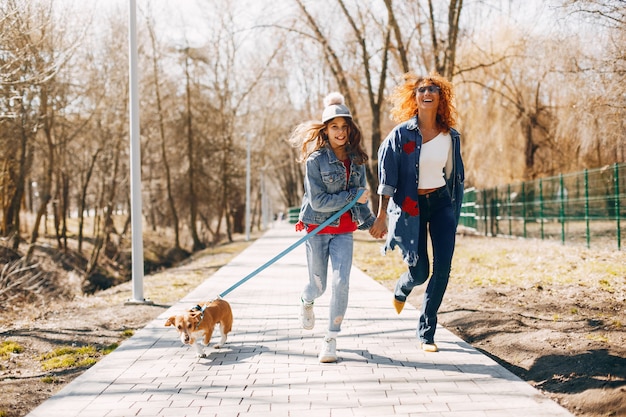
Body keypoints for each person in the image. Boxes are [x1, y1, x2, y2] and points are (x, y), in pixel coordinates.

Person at [369, 72, 465, 353]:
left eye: (434, 89)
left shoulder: (451, 137)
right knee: (420, 271)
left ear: (440, 97)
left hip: (441, 204)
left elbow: (453, 174)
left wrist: (454, 207)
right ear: (414, 97)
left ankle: (427, 332)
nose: (428, 92)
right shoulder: (400, 135)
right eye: (422, 89)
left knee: (443, 268)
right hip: (410, 207)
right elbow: (387, 179)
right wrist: (381, 215)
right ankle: (402, 287)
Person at [290, 92, 375, 363]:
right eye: (334, 126)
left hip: (344, 230)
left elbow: (360, 201)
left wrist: (372, 223)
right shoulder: (315, 161)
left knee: (341, 283)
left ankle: (330, 338)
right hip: (316, 227)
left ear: (351, 129)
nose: (340, 132)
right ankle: (306, 301)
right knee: (318, 286)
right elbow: (319, 201)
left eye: (344, 126)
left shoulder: (358, 160)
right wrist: (353, 197)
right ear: (326, 130)